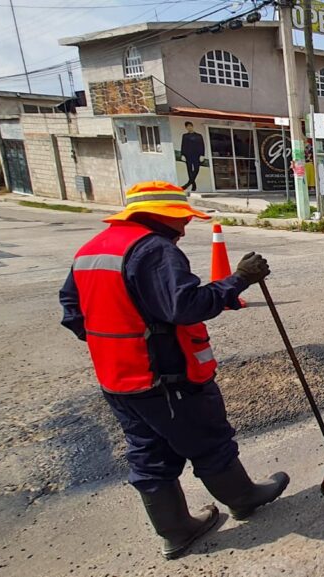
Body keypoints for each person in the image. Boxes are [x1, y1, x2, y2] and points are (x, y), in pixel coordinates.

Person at [58, 181, 290, 559]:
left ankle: (176, 530)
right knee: (207, 439)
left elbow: (72, 310)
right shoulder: (153, 251)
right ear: (163, 216)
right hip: (167, 379)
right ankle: (243, 497)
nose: (184, 228)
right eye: (180, 219)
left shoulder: (93, 248)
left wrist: (117, 340)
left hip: (118, 380)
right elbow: (187, 306)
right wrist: (240, 279)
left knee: (148, 452)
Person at [179, 122, 205, 192]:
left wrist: (202, 154)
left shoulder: (199, 136)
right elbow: (183, 145)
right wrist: (182, 154)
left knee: (196, 169)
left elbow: (202, 145)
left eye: (190, 126)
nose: (189, 127)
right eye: (187, 126)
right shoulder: (185, 136)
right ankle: (193, 184)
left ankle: (187, 184)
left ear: (192, 126)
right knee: (189, 170)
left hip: (197, 155)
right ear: (186, 128)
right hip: (188, 155)